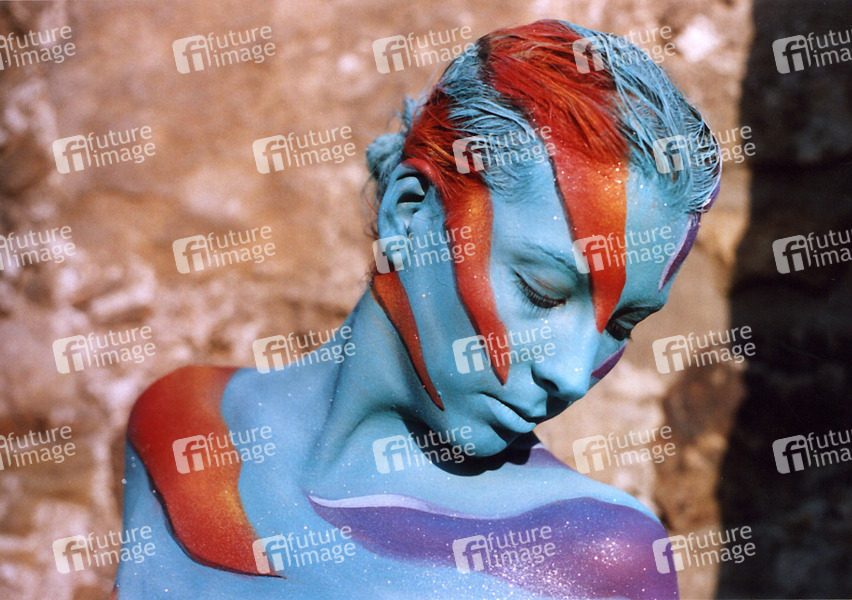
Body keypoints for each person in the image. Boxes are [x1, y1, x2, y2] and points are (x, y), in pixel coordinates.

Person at [113, 19, 720, 600]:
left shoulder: (595, 559)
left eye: (622, 324)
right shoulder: (183, 426)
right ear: (409, 214)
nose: (572, 373)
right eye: (542, 290)